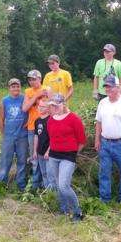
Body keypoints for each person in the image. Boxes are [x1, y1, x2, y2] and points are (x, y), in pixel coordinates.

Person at [94, 75, 121, 203]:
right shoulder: (102, 103)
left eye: (110, 86)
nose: (108, 89)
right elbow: (98, 123)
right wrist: (97, 140)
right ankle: (104, 199)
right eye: (106, 86)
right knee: (104, 172)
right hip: (105, 143)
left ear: (117, 87)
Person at [46, 94, 87, 222]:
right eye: (52, 105)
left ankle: (77, 212)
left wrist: (72, 153)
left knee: (64, 185)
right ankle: (64, 209)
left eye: (56, 105)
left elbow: (81, 141)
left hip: (68, 157)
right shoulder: (51, 120)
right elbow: (51, 138)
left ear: (63, 104)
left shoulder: (74, 119)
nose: (54, 108)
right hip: (54, 156)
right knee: (58, 185)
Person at [0, 78, 29, 191]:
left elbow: (32, 113)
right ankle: (1, 184)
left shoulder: (25, 98)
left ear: (20, 87)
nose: (15, 88)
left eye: (17, 86)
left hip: (22, 136)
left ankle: (21, 186)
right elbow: (1, 118)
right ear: (9, 88)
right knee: (5, 160)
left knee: (22, 161)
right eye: (13, 86)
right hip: (9, 136)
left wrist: (28, 124)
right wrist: (3, 133)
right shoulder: (5, 100)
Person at [22, 69, 50, 190]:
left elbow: (52, 105)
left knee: (45, 155)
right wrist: (36, 96)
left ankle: (46, 185)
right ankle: (35, 185)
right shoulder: (28, 91)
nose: (32, 82)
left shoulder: (46, 89)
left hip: (46, 126)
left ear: (40, 78)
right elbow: (25, 108)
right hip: (32, 127)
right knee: (34, 157)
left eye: (34, 79)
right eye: (30, 79)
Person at [32, 98, 56, 190]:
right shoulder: (37, 120)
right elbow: (36, 136)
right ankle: (47, 193)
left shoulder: (51, 120)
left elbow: (53, 138)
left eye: (43, 106)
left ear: (48, 108)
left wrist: (48, 151)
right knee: (44, 173)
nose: (40, 108)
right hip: (40, 152)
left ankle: (53, 194)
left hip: (49, 153)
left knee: (51, 174)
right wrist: (35, 151)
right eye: (39, 106)